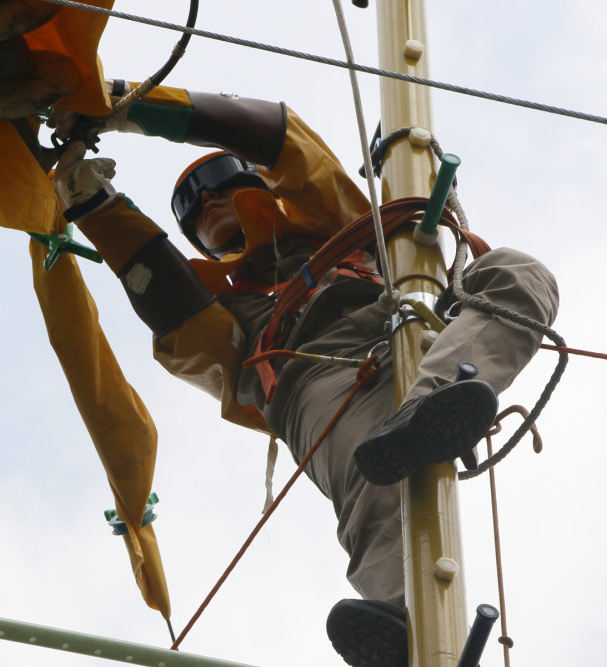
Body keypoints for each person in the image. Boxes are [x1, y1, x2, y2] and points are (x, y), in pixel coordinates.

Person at [49, 83, 559, 667]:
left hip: (421, 338)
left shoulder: (335, 225)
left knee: (520, 273)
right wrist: (94, 204)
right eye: (193, 205)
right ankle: (416, 636)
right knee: (376, 476)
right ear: (194, 239)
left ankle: (433, 407)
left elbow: (286, 145)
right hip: (316, 380)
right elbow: (171, 301)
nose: (207, 199)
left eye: (219, 183)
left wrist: (128, 104)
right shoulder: (231, 314)